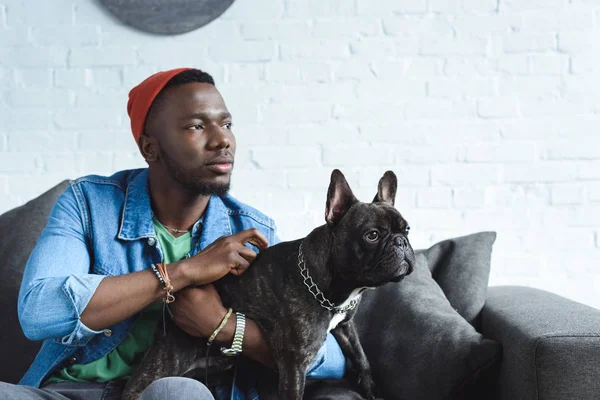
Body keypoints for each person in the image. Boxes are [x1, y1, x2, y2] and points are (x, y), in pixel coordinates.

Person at [0, 68, 346, 400]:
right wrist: (184, 272)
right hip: (66, 392)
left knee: (178, 392)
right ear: (150, 148)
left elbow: (331, 356)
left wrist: (225, 327)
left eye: (226, 124)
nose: (222, 139)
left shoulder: (250, 230)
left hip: (174, 394)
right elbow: (39, 312)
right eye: (196, 126)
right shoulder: (89, 204)